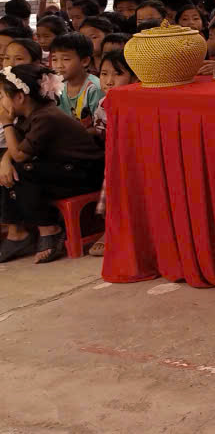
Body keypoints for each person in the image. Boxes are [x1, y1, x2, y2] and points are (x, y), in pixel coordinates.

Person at [0, 64, 105, 264]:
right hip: (59, 169)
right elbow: (15, 150)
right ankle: (17, 233)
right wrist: (4, 161)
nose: (0, 102)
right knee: (10, 171)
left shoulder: (46, 117)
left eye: (2, 96)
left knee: (22, 171)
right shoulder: (27, 116)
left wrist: (5, 123)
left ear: (20, 97)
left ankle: (50, 229)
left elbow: (19, 155)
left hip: (84, 174)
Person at [87, 49, 138, 257]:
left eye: (117, 74)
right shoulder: (103, 103)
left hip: (134, 155)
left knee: (116, 171)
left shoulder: (138, 102)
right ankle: (111, 228)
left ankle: (112, 230)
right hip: (112, 155)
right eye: (104, 74)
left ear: (134, 78)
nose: (109, 80)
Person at [49, 33, 103, 127]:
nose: (59, 65)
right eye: (54, 59)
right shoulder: (57, 85)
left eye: (66, 59)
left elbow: (99, 128)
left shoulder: (94, 88)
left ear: (84, 61)